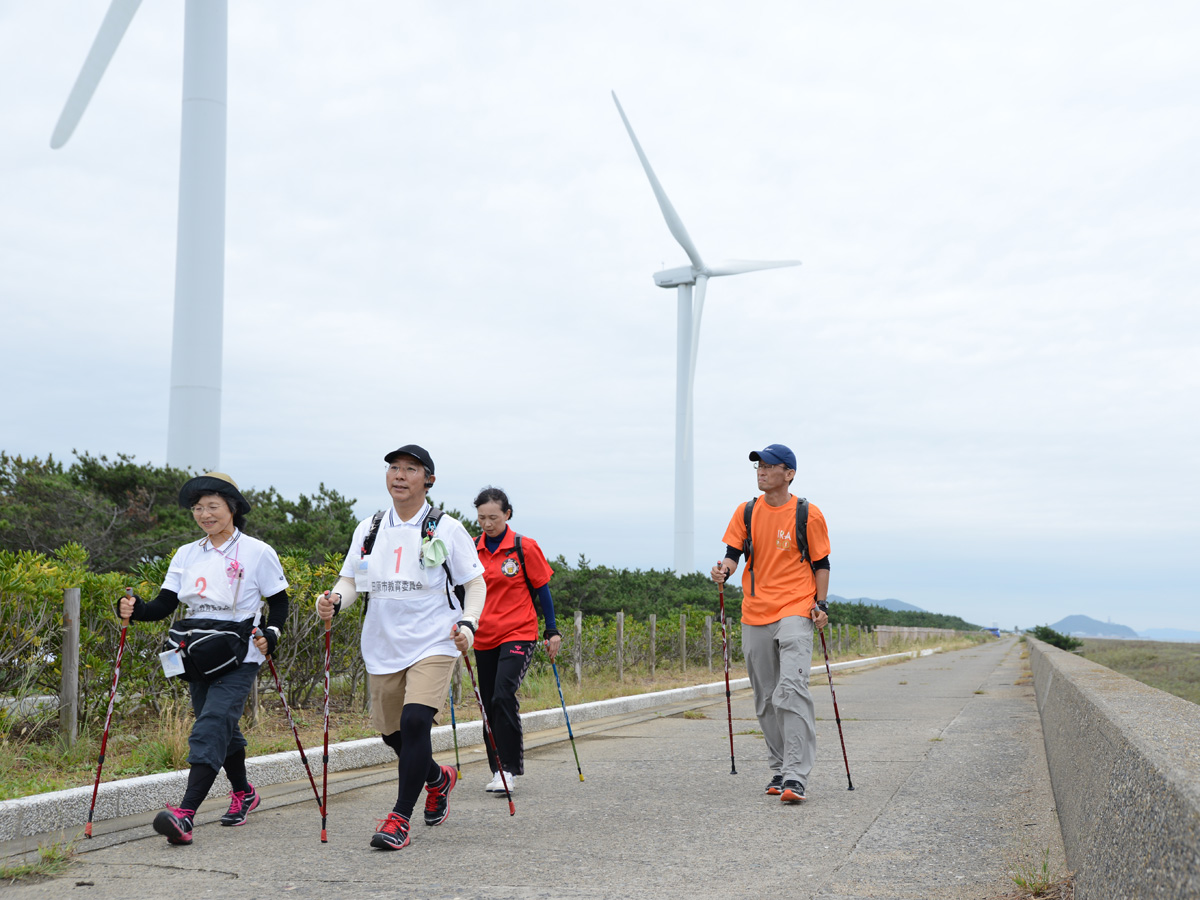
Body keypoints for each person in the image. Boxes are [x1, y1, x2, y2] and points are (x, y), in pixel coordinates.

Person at [316, 444, 485, 851]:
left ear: (428, 480)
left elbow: (475, 583)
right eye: (394, 467)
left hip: (436, 639)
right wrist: (335, 600)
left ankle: (399, 819)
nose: (400, 475)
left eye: (411, 469)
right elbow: (352, 580)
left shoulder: (446, 528)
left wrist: (468, 623)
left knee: (415, 723)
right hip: (383, 642)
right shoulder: (370, 527)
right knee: (393, 734)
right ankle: (437, 778)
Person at [118, 472, 289, 845]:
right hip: (195, 652)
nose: (204, 514)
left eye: (213, 506)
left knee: (210, 726)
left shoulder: (258, 551)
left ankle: (185, 815)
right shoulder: (186, 553)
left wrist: (272, 633)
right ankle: (244, 793)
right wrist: (135, 608)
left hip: (239, 652)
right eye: (198, 508)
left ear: (233, 508)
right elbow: (165, 604)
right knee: (222, 726)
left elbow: (279, 601)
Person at [710, 444, 830, 805]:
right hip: (755, 612)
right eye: (758, 466)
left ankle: (795, 775)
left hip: (796, 608)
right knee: (765, 697)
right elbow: (733, 556)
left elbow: (821, 563)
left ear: (788, 474)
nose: (762, 471)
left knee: (790, 690)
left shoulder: (808, 514)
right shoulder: (746, 512)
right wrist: (723, 571)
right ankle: (779, 768)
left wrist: (820, 604)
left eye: (769, 466)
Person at [471, 486, 560, 793]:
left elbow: (543, 590)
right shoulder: (471, 549)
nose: (487, 523)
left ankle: (508, 769)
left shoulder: (524, 547)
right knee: (487, 704)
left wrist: (552, 630)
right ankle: (496, 769)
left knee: (502, 695)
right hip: (483, 635)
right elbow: (459, 590)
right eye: (481, 518)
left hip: (518, 632)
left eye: (493, 517)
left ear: (507, 514)